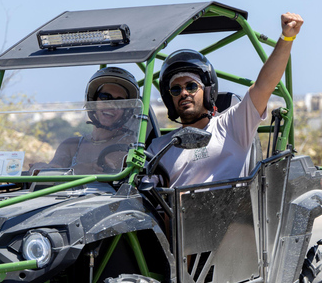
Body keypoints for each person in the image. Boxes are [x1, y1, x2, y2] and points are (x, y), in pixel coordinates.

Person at [147, 12, 304, 187]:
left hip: (230, 212)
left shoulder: (231, 125)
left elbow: (264, 86)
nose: (184, 93)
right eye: (176, 89)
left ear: (207, 91)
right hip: (175, 214)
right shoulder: (159, 147)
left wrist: (286, 38)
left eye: (191, 86)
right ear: (170, 99)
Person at [45, 67, 140, 174]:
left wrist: (76, 170)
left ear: (126, 110)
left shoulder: (129, 145)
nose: (112, 105)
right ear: (93, 101)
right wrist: (41, 169)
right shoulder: (70, 145)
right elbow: (53, 171)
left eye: (120, 102)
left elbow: (106, 168)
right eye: (105, 97)